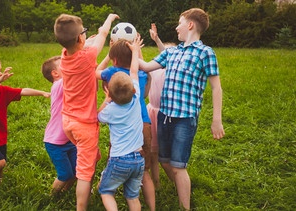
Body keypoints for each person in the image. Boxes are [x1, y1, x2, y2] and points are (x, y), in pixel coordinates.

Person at [139, 8, 225, 210]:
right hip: (165, 117)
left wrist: (217, 119)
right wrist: (132, 49)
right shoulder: (172, 52)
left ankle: (184, 206)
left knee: (178, 165)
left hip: (185, 119)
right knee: (164, 160)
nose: (177, 27)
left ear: (190, 25)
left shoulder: (205, 53)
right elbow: (145, 66)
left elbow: (216, 87)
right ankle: (181, 185)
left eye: (179, 23)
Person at [53, 13, 119, 210]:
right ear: (80, 38)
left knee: (88, 156)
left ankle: (81, 180)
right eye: (84, 33)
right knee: (85, 172)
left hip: (68, 123)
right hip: (84, 126)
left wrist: (85, 41)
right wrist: (109, 18)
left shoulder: (64, 58)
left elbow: (87, 45)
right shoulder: (88, 56)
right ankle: (81, 206)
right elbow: (104, 32)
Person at [0, 55, 50, 194]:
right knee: (0, 163)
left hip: (0, 135)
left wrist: (42, 93)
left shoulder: (3, 91)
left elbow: (22, 91)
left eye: (0, 70)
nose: (0, 74)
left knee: (0, 168)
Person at [96, 39, 155, 210]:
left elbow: (98, 116)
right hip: (138, 159)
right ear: (134, 89)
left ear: (109, 92)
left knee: (106, 190)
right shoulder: (136, 98)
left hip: (119, 159)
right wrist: (136, 50)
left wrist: (107, 100)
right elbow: (135, 71)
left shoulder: (110, 110)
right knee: (133, 196)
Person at [41, 56, 77, 195]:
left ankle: (64, 192)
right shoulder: (58, 85)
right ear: (55, 73)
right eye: (64, 64)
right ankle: (52, 197)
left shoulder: (66, 85)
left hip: (70, 139)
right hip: (55, 142)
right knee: (65, 174)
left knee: (76, 171)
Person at [147, 23, 176, 190]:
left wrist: (157, 40)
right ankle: (156, 183)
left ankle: (176, 180)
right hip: (152, 112)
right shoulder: (154, 70)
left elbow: (167, 55)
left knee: (165, 153)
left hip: (166, 114)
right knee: (152, 152)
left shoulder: (171, 73)